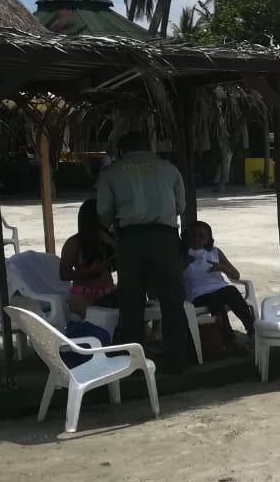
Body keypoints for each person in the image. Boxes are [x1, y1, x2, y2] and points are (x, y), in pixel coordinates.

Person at [96, 130, 190, 373]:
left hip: (131, 239)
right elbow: (180, 206)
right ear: (149, 147)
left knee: (131, 299)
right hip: (165, 237)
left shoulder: (112, 173)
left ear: (121, 151)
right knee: (171, 297)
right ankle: (177, 360)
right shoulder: (169, 169)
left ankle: (131, 362)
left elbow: (104, 213)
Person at [182, 220, 254, 356]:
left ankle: (252, 331)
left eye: (201, 236)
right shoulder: (183, 256)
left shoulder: (214, 252)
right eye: (193, 236)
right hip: (197, 294)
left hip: (220, 288)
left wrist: (220, 267)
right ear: (187, 237)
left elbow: (235, 275)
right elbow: (175, 279)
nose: (197, 239)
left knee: (232, 291)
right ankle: (231, 341)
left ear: (208, 239)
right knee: (216, 304)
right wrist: (183, 265)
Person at [58, 199, 119, 317]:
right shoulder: (74, 243)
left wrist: (112, 243)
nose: (109, 216)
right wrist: (90, 271)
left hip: (109, 290)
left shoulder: (108, 239)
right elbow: (64, 274)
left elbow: (126, 259)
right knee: (100, 318)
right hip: (84, 292)